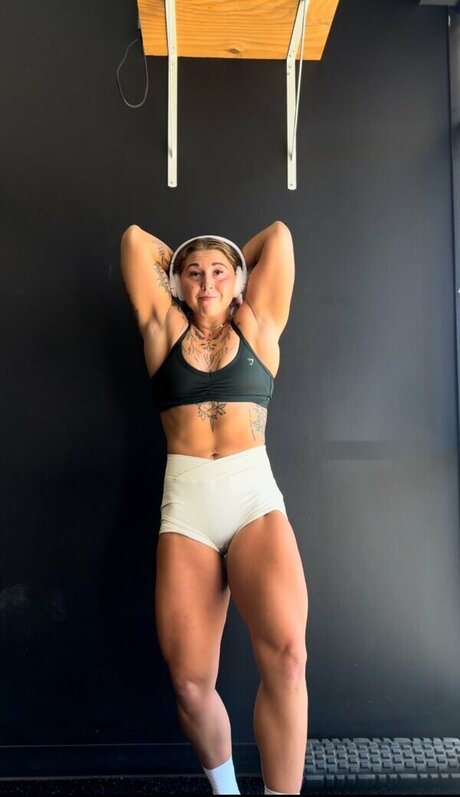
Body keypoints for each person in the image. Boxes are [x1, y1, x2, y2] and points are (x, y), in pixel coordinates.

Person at [119, 221, 309, 795]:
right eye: (195, 273)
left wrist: (234, 269)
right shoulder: (164, 325)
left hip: (253, 500)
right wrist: (184, 266)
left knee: (288, 656)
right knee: (190, 684)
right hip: (188, 510)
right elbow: (134, 241)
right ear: (177, 282)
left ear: (238, 281)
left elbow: (279, 237)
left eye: (219, 272)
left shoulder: (258, 324)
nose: (207, 282)